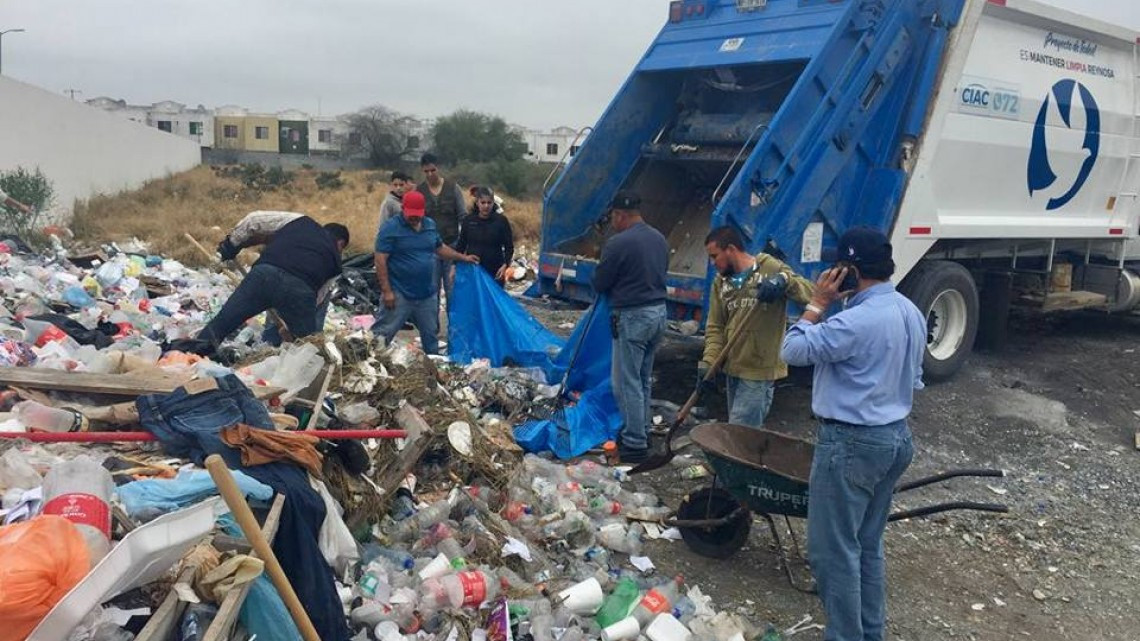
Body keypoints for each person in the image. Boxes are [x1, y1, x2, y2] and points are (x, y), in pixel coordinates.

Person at [779, 226, 926, 641]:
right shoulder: (908, 310)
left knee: (832, 553)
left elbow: (792, 351)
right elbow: (914, 377)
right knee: (865, 545)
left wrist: (816, 304)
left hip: (851, 443)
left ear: (849, 270)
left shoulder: (857, 320)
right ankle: (868, 633)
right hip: (894, 437)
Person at [700, 226, 813, 427]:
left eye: (714, 256)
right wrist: (710, 361)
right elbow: (716, 325)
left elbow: (810, 294)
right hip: (733, 368)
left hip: (758, 371)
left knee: (738, 434)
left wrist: (783, 282)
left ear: (731, 249)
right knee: (739, 435)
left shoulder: (769, 268)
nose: (712, 263)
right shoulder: (720, 282)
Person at [592, 191, 668, 464]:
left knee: (626, 382)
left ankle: (635, 442)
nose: (612, 223)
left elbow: (601, 282)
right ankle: (643, 429)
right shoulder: (659, 238)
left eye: (613, 217)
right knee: (643, 377)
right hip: (659, 314)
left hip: (633, 316)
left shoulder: (618, 243)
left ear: (621, 215)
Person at [197, 212, 349, 349]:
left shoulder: (301, 221)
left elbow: (254, 220)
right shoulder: (336, 262)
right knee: (307, 349)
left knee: (220, 325)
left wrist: (226, 250)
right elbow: (318, 297)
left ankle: (189, 358)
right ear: (340, 244)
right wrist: (293, 328)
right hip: (300, 293)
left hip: (264, 277)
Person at [372, 191, 478, 355]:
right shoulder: (390, 228)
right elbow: (380, 260)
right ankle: (371, 364)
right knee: (382, 334)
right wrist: (387, 291)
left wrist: (462, 257)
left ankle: (433, 370)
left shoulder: (429, 225)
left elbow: (439, 248)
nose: (414, 218)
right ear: (403, 209)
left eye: (418, 215)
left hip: (427, 294)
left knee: (430, 336)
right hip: (399, 293)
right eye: (411, 215)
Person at [416, 153, 467, 302]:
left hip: (451, 246)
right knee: (432, 293)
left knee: (453, 291)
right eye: (426, 171)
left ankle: (454, 325)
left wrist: (463, 247)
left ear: (438, 168)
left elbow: (463, 217)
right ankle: (433, 326)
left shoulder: (453, 188)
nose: (430, 174)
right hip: (430, 249)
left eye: (433, 170)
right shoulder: (419, 192)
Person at [455, 186, 514, 284]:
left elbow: (509, 247)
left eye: (489, 203)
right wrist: (455, 266)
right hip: (473, 270)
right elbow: (461, 245)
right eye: (483, 202)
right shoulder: (469, 221)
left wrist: (505, 265)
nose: (486, 206)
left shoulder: (501, 221)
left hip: (495, 271)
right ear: (477, 203)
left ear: (493, 203)